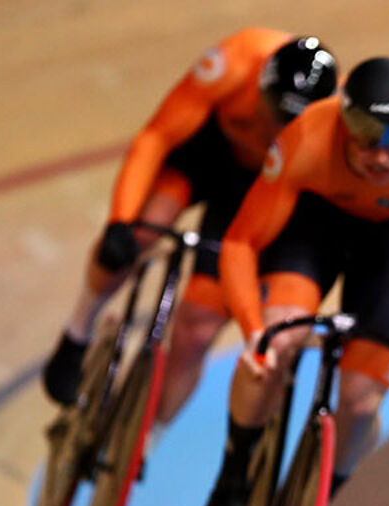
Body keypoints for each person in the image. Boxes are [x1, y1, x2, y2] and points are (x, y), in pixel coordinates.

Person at [195, 57, 389, 506]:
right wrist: (252, 332)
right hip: (315, 224)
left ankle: (320, 502)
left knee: (361, 399)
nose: (381, 157)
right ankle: (234, 475)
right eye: (366, 136)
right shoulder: (308, 136)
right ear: (344, 121)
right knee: (278, 340)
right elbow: (241, 241)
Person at [40, 28, 338, 444]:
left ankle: (141, 446)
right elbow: (156, 137)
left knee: (196, 331)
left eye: (289, 122)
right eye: (272, 111)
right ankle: (77, 333)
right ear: (261, 85)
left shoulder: (328, 127)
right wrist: (120, 221)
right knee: (141, 233)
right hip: (204, 155)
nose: (274, 127)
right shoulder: (231, 64)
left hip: (254, 192)